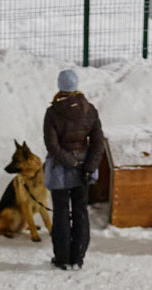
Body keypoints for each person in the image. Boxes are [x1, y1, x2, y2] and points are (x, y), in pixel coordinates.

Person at [43, 69, 105, 271]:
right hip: (83, 171)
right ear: (76, 86)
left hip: (60, 169)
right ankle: (78, 257)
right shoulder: (90, 109)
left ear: (59, 86)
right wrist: (89, 166)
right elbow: (98, 143)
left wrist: (71, 162)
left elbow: (52, 146)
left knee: (61, 213)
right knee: (80, 212)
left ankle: (61, 258)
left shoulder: (52, 113)